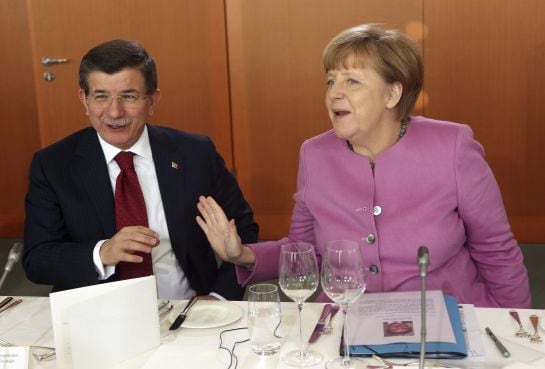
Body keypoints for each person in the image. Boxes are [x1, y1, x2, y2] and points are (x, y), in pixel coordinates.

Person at [196, 24, 531, 308]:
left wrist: (518, 331)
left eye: (351, 82)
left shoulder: (453, 146)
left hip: (443, 325)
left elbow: (496, 251)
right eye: (330, 81)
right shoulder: (315, 154)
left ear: (392, 94)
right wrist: (241, 254)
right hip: (346, 325)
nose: (333, 94)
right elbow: (307, 253)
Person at [23, 39, 258, 301]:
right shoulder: (53, 164)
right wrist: (103, 252)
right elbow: (38, 259)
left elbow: (244, 231)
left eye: (129, 96)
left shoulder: (195, 153)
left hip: (189, 310)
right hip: (96, 314)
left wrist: (219, 296)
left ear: (152, 100)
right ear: (84, 100)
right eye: (101, 96)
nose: (114, 111)